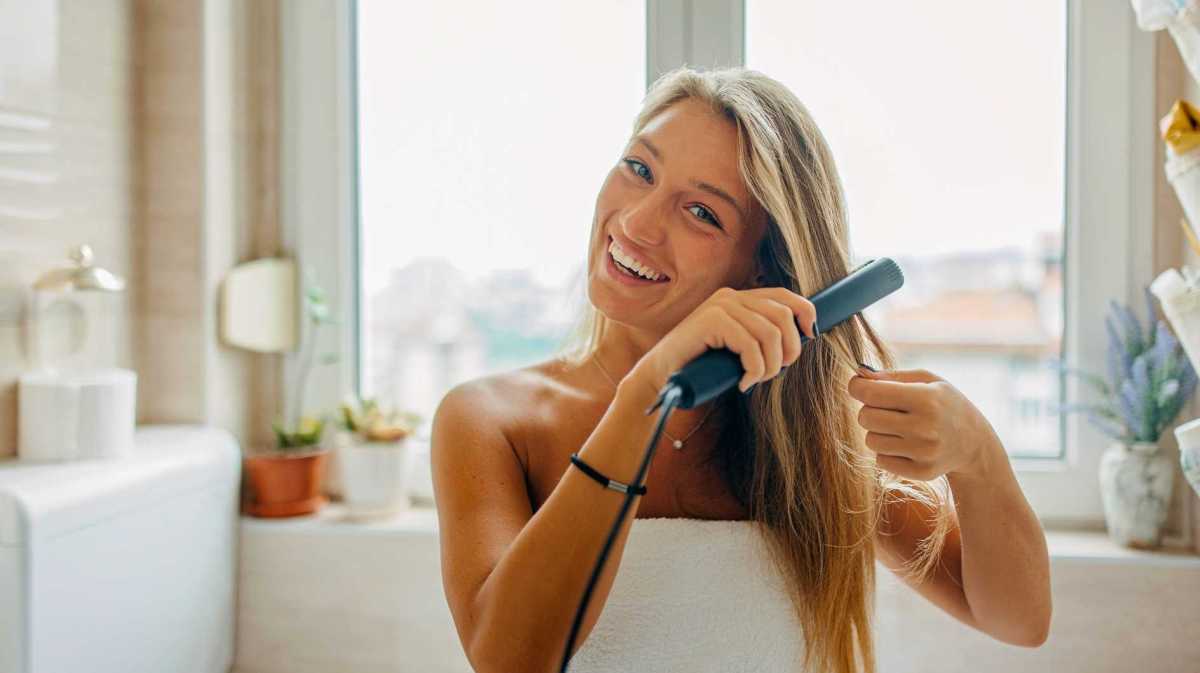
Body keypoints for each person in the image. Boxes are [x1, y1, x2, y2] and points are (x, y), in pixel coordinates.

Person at [431, 66, 1051, 673]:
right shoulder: (490, 421)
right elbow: (511, 662)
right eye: (639, 169)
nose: (638, 223)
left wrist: (978, 456)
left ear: (762, 270)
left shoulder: (810, 444)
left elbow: (1018, 620)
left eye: (701, 212)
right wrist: (645, 394)